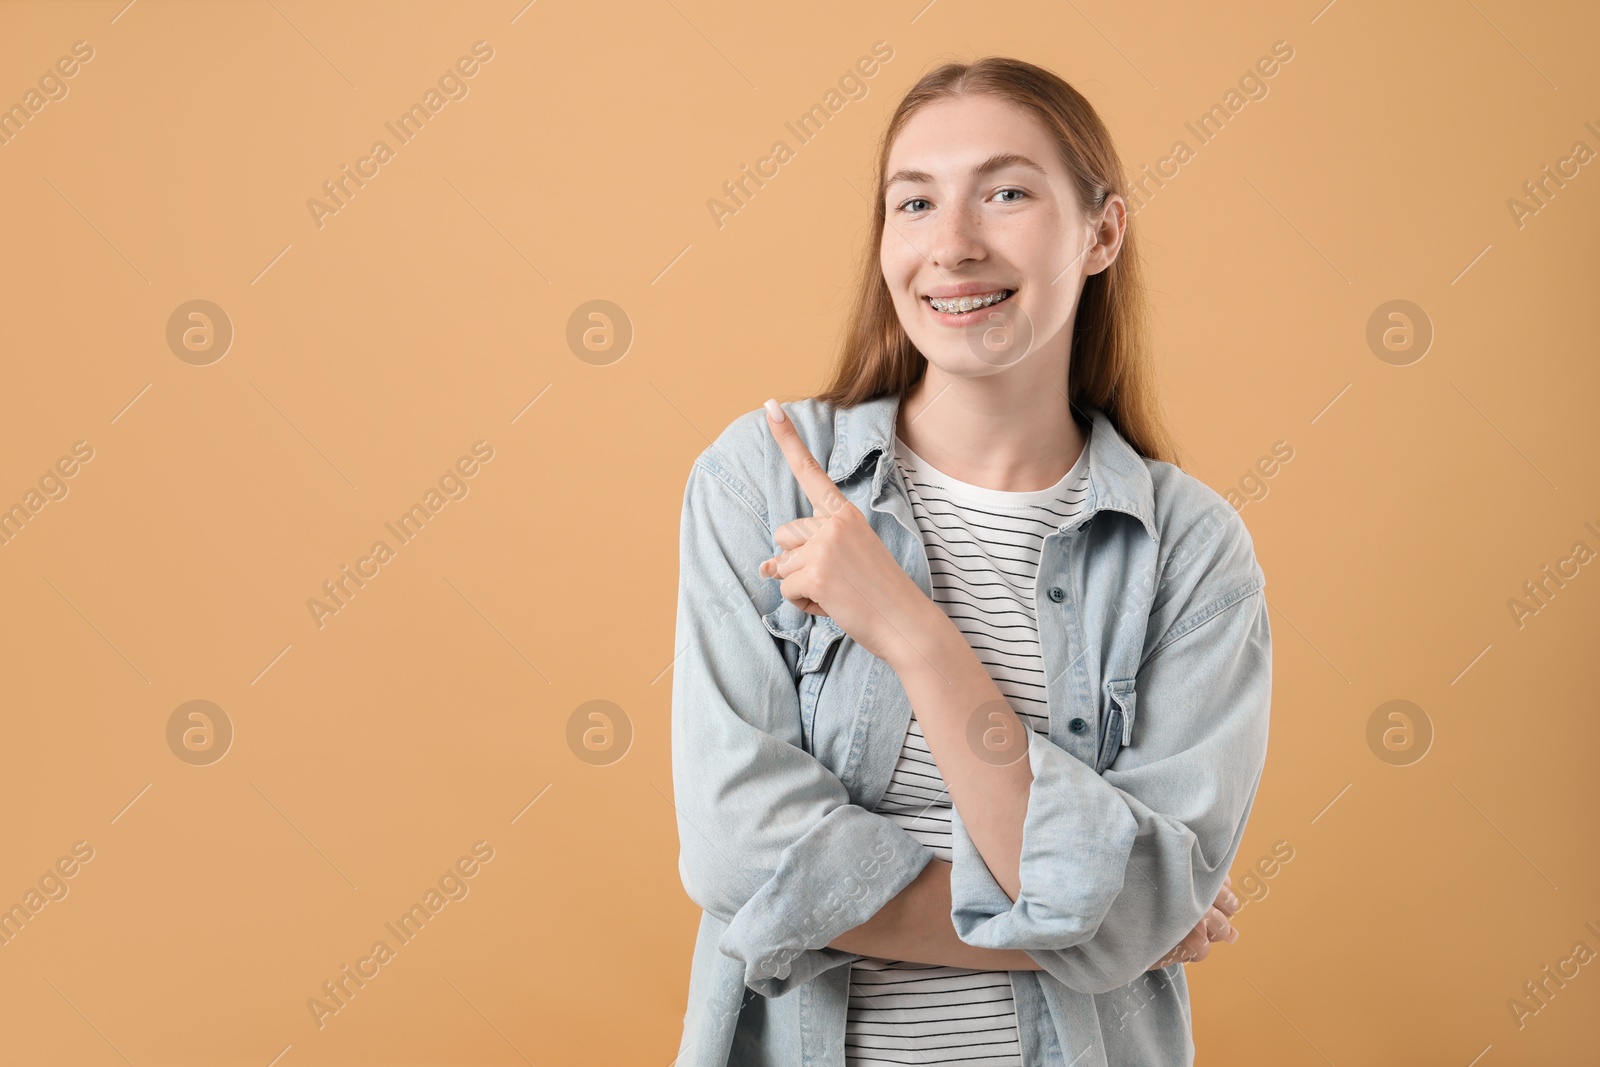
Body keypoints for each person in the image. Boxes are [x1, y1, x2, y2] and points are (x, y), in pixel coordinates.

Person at [670, 55, 1272, 1067]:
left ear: (1101, 233)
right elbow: (740, 850)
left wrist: (909, 629)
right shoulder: (764, 478)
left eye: (1004, 192)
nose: (951, 245)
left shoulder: (1190, 550)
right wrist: (1084, 922)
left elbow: (1149, 894)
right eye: (913, 202)